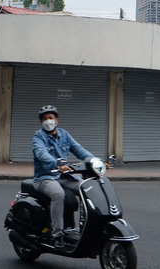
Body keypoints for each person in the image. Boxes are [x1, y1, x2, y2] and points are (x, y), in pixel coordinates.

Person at [32, 104, 93, 249]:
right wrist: (57, 165)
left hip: (64, 176)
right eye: (45, 119)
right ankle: (58, 234)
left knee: (88, 187)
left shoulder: (64, 134)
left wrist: (95, 161)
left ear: (57, 120)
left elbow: (79, 150)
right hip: (44, 178)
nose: (48, 121)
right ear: (41, 122)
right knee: (58, 194)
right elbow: (41, 154)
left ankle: (84, 227)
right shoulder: (38, 137)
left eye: (51, 118)